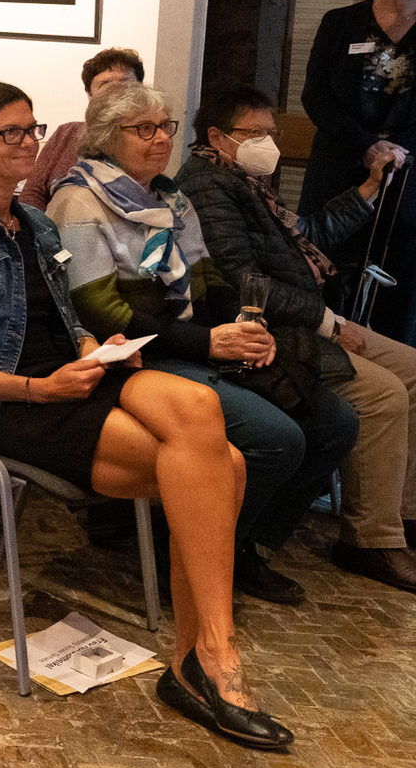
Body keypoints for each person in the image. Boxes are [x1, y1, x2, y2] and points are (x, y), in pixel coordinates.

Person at [0, 81, 291, 750]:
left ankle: (200, 658)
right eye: (9, 132)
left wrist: (93, 346)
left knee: (200, 407)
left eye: (32, 129)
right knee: (223, 466)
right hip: (4, 401)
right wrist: (40, 388)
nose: (28, 142)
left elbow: (65, 318)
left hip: (72, 377)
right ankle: (209, 659)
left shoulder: (36, 224)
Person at [47, 83, 358, 605]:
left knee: (335, 423)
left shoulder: (172, 198)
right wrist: (209, 343)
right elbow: (101, 311)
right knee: (276, 437)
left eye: (165, 127)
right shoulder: (78, 200)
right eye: (143, 129)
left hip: (190, 344)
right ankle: (185, 553)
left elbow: (210, 282)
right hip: (134, 357)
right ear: (105, 137)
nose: (160, 139)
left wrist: (245, 330)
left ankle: (241, 543)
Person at [178, 84, 416, 595]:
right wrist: (328, 323)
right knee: (383, 394)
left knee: (413, 369)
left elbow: (304, 235)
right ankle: (371, 540)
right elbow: (243, 280)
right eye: (255, 133)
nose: (268, 143)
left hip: (304, 317)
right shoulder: (207, 185)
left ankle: (402, 513)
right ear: (217, 136)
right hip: (273, 328)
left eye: (271, 132)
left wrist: (369, 188)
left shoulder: (246, 180)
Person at [300, 0, 416, 344]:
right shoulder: (340, 23)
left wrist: (396, 151)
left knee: (400, 289)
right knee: (328, 277)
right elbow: (314, 96)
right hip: (340, 172)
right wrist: (367, 146)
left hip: (409, 181)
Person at [22, 47, 144, 204]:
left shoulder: (148, 139)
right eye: (105, 85)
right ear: (89, 94)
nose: (115, 92)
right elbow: (32, 193)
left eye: (124, 84)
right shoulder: (66, 133)